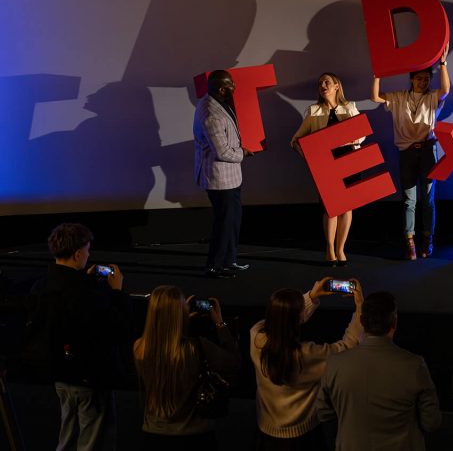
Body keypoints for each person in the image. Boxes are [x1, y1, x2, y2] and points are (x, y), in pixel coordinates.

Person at [23, 223, 132, 451]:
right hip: (88, 378)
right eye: (87, 250)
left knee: (67, 439)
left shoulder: (40, 286)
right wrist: (117, 292)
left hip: (59, 376)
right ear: (78, 254)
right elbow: (117, 328)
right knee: (93, 442)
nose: (89, 255)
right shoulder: (85, 294)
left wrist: (86, 280)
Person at [316, 291, 441, 451]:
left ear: (362, 321)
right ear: (394, 322)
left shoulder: (335, 364)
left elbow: (323, 412)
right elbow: (431, 422)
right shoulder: (415, 365)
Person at [250, 277, 363, 449]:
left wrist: (311, 296)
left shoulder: (255, 337)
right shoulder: (305, 355)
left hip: (266, 432)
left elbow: (280, 320)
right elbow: (347, 347)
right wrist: (360, 307)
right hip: (302, 436)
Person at [134, 285, 240, 450]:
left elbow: (167, 349)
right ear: (180, 313)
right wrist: (220, 323)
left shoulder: (139, 347)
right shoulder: (196, 347)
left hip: (154, 435)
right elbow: (233, 361)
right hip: (194, 437)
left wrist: (181, 322)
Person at [370, 46, 450, 260]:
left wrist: (443, 65)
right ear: (412, 79)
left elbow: (445, 90)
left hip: (428, 150)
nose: (423, 82)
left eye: (426, 79)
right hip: (407, 152)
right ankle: (410, 242)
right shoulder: (399, 97)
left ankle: (427, 239)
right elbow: (375, 97)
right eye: (419, 79)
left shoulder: (433, 97)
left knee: (428, 199)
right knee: (409, 200)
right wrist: (377, 75)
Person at [291, 72, 363, 266]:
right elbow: (295, 140)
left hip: (349, 161)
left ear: (337, 86)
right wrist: (310, 158)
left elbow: (361, 133)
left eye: (327, 82)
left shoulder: (350, 107)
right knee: (331, 208)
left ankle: (341, 250)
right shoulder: (314, 111)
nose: (323, 85)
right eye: (320, 83)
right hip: (327, 165)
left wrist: (353, 139)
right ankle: (330, 250)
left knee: (347, 207)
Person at [194, 69, 252, 278]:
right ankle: (214, 266)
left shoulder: (215, 101)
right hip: (220, 179)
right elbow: (223, 152)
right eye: (230, 85)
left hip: (230, 177)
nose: (234, 88)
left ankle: (229, 261)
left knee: (233, 221)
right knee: (224, 223)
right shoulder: (211, 114)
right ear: (221, 89)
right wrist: (243, 153)